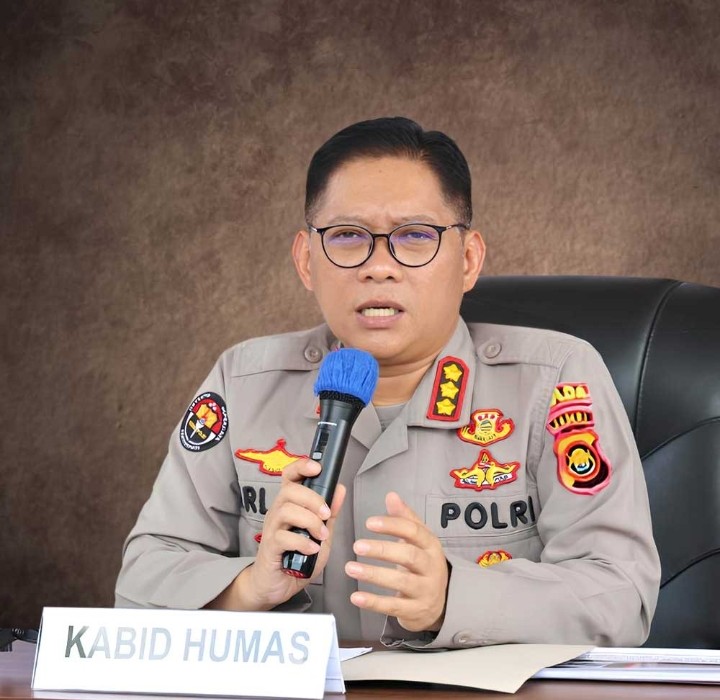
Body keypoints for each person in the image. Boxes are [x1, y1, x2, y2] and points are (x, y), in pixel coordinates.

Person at [116, 117, 661, 648]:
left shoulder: (555, 381)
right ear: (306, 261)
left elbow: (620, 594)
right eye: (348, 236)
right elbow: (140, 583)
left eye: (415, 236)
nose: (379, 267)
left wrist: (451, 598)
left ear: (468, 260)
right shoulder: (244, 383)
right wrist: (251, 588)